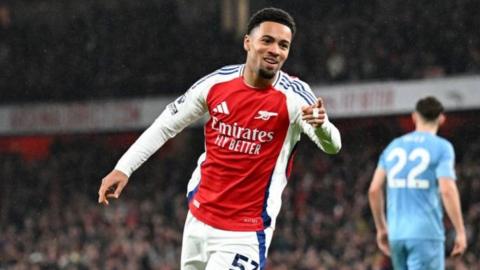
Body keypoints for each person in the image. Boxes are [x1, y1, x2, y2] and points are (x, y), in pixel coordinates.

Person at [98, 7, 341, 270]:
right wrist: (124, 167)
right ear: (248, 42)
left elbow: (332, 145)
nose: (275, 50)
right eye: (267, 40)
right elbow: (166, 124)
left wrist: (321, 126)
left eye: (284, 45)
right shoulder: (216, 83)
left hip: (244, 234)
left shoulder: (294, 96)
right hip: (198, 220)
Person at [368, 96, 467, 269]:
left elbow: (374, 190)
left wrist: (382, 228)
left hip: (397, 234)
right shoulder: (442, 147)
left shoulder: (393, 146)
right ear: (441, 119)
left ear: (414, 117)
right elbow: (447, 190)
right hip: (425, 233)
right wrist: (460, 231)